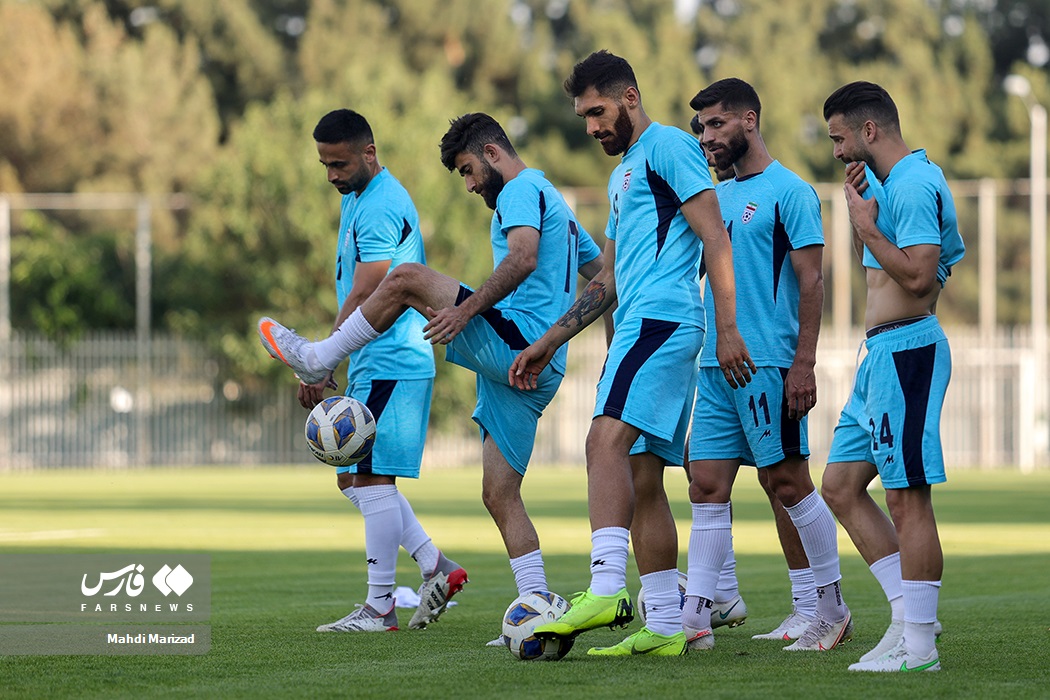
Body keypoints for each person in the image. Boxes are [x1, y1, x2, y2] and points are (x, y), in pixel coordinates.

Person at [258, 112, 605, 642]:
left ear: (492, 153)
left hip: (518, 342)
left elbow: (523, 258)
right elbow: (604, 277)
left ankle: (318, 356)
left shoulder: (520, 188)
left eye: (468, 171)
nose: (469, 185)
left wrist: (469, 311)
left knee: (407, 279)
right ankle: (535, 605)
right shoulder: (555, 200)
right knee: (499, 494)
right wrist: (582, 343)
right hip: (532, 363)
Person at [510, 50, 753, 657]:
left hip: (662, 321)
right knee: (643, 477)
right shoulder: (624, 174)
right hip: (640, 325)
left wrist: (727, 329)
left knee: (602, 441)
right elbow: (609, 278)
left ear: (630, 98)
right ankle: (667, 625)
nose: (592, 126)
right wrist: (548, 341)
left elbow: (716, 237)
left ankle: (606, 588)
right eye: (583, 117)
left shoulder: (669, 146)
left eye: (598, 112)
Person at [263, 109, 466, 633]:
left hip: (393, 359)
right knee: (349, 476)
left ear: (369, 153)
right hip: (376, 359)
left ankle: (380, 608)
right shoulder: (358, 196)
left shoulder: (379, 204)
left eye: (340, 164)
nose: (332, 175)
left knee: (372, 478)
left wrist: (323, 361)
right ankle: (435, 565)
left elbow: (367, 291)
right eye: (325, 165)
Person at [683, 78, 852, 653]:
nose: (707, 137)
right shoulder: (714, 198)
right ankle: (694, 618)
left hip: (769, 364)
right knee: (706, 484)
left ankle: (829, 610)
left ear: (749, 120)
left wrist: (804, 363)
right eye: (701, 128)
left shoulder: (791, 191)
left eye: (716, 124)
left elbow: (813, 281)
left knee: (786, 482)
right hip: (715, 365)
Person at [820, 81, 963, 672]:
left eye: (839, 138)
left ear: (869, 130)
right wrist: (866, 207)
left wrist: (866, 226)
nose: (836, 151)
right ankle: (906, 619)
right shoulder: (889, 183)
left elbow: (923, 278)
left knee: (906, 497)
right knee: (840, 485)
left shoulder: (913, 182)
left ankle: (920, 646)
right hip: (878, 356)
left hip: (908, 351)